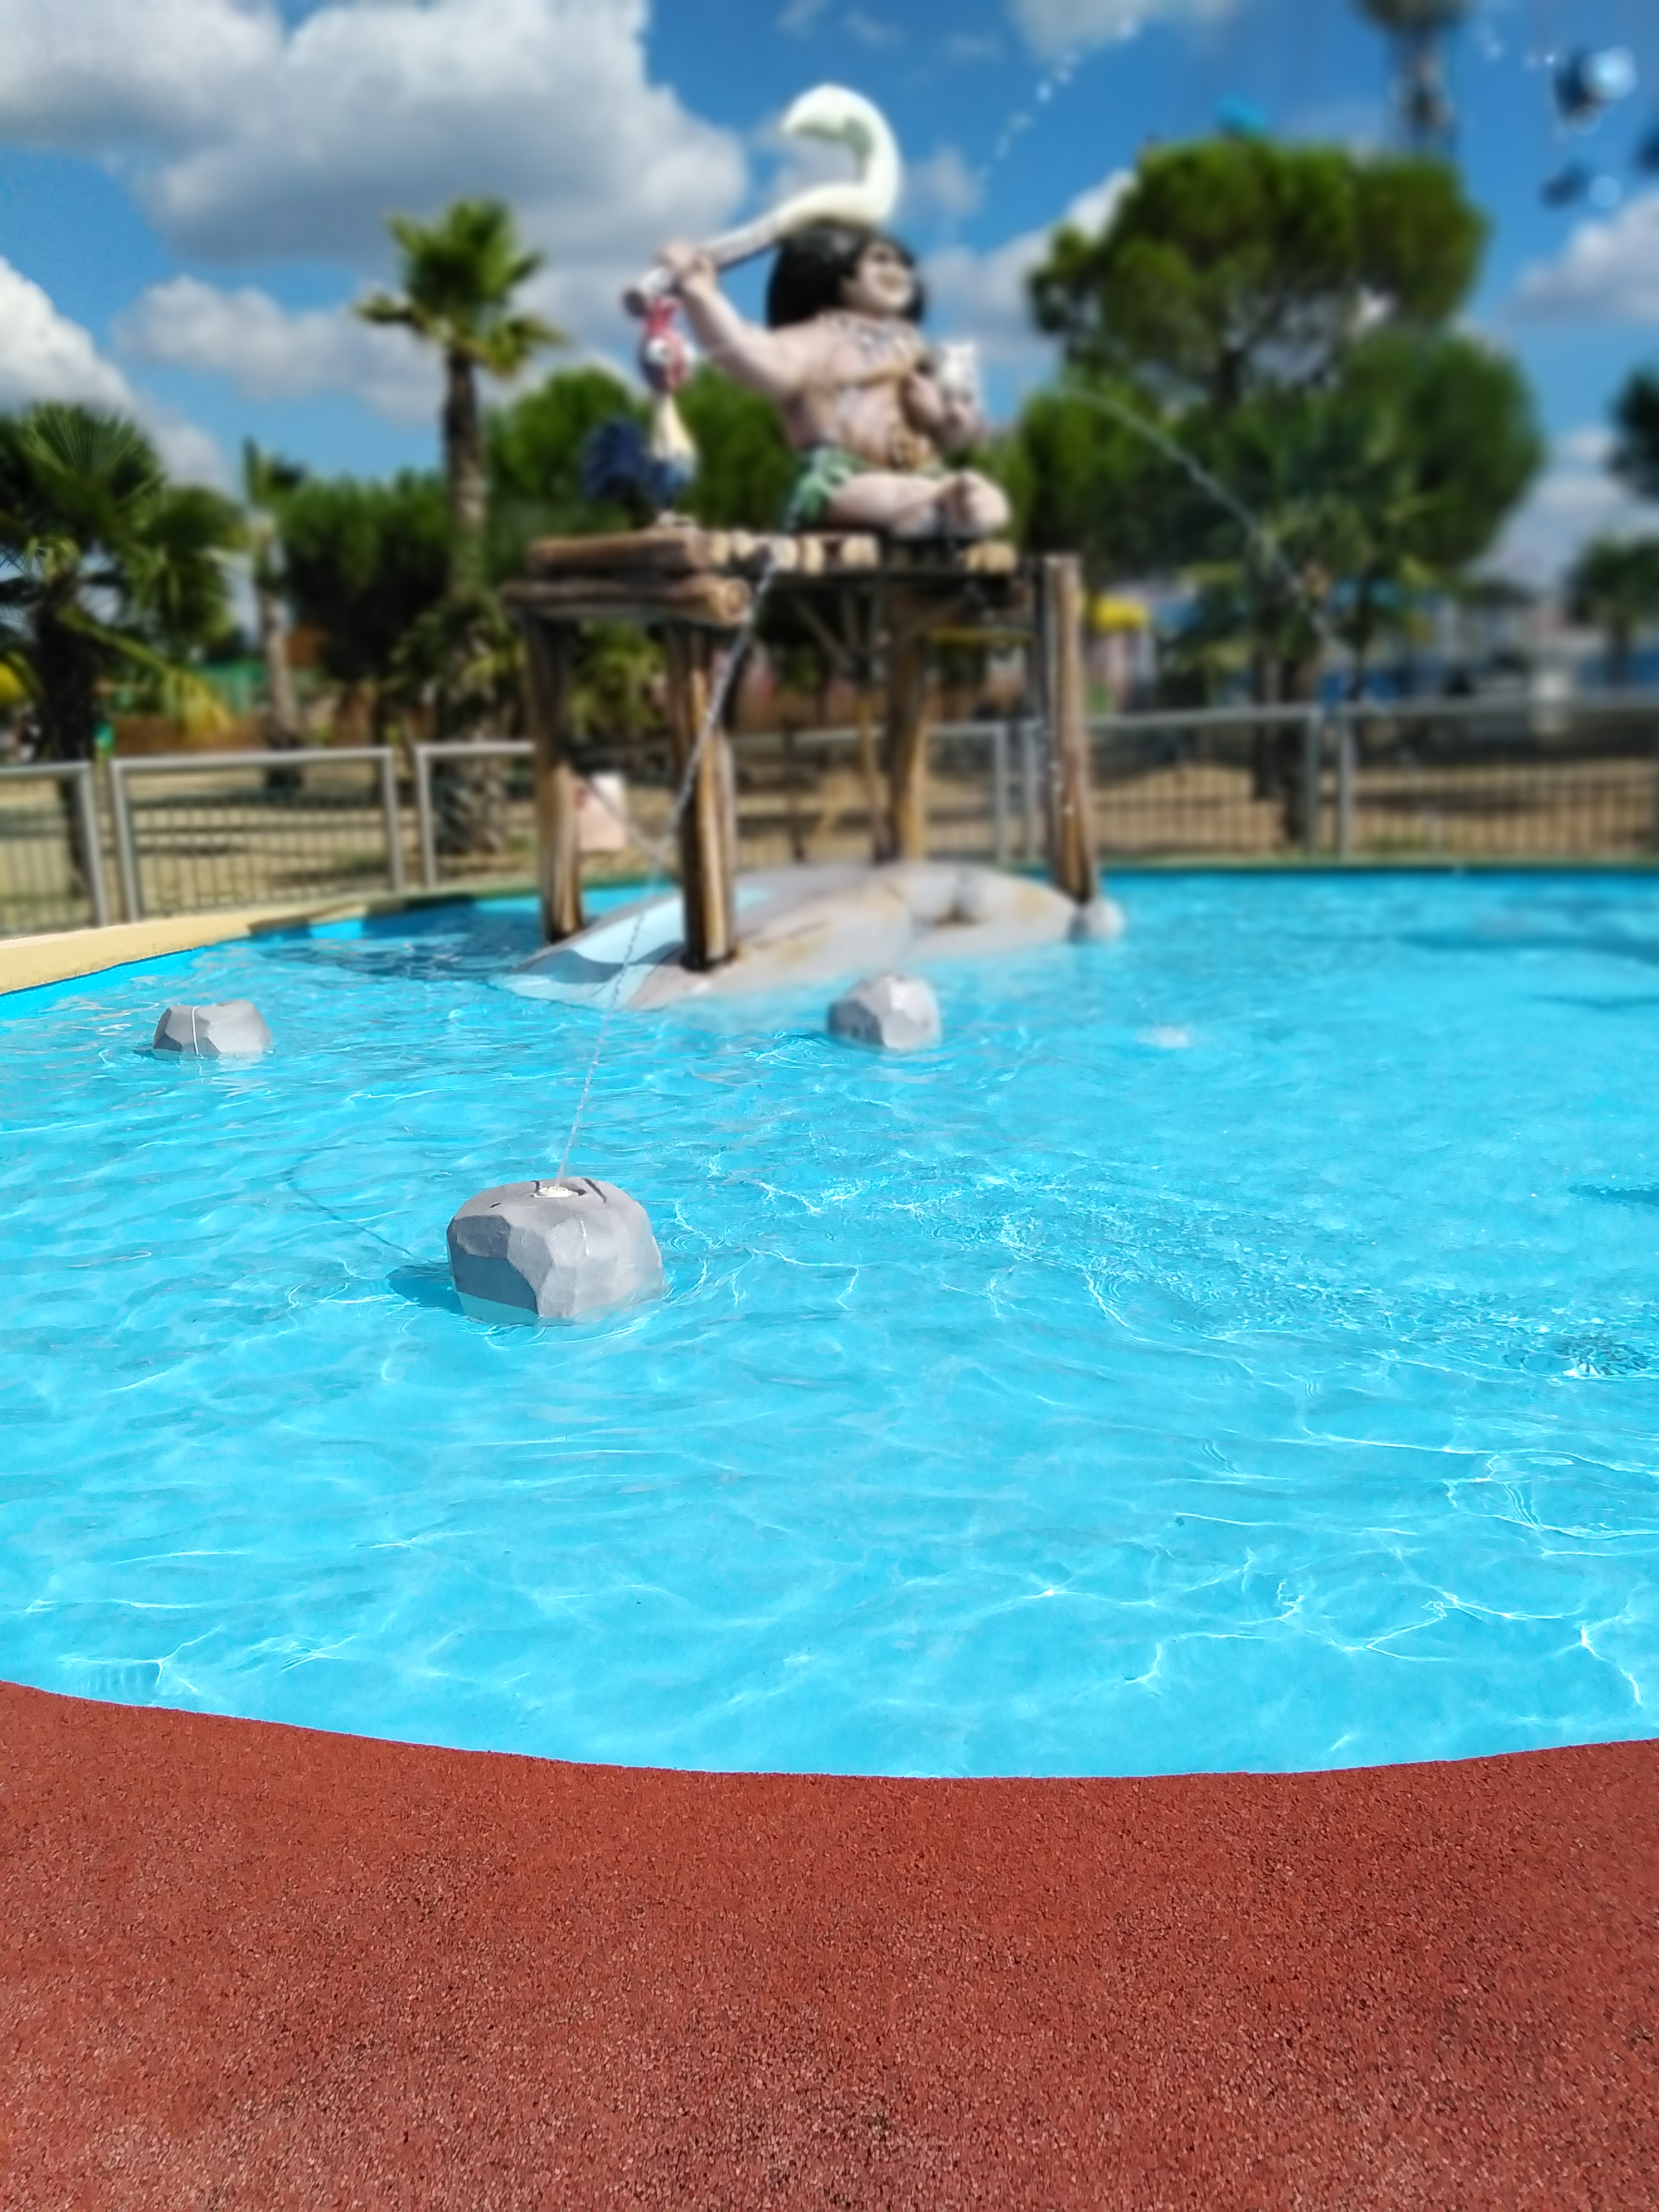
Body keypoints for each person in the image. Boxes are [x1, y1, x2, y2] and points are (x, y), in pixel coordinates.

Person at [656, 221, 1010, 539]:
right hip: (840, 480)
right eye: (880, 259)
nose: (897, 269)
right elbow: (750, 355)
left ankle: (950, 508)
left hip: (921, 474)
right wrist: (701, 292)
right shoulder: (818, 338)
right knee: (893, 493)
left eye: (903, 262)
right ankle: (936, 509)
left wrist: (947, 419)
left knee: (974, 493)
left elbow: (953, 421)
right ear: (839, 271)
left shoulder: (913, 346)